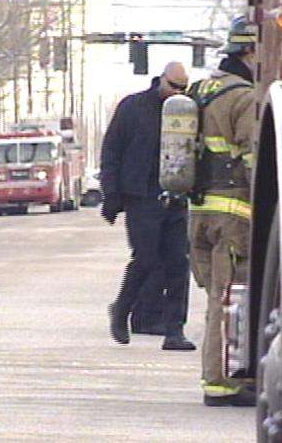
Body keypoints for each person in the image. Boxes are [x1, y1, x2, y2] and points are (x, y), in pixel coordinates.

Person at [100, 61, 196, 351]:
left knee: (178, 263)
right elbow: (112, 151)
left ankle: (174, 331)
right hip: (141, 196)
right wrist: (112, 195)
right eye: (173, 87)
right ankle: (122, 309)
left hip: (176, 194)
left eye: (183, 89)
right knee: (146, 259)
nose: (176, 93)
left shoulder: (188, 111)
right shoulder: (134, 108)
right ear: (161, 81)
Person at [186, 16, 258, 406]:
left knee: (215, 296)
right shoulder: (244, 97)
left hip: (199, 214)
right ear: (250, 51)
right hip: (232, 215)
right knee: (225, 299)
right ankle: (220, 382)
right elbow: (253, 159)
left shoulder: (200, 90)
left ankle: (219, 375)